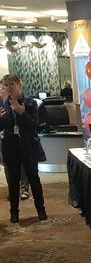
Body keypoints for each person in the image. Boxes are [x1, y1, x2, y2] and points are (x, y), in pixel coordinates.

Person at [0, 75, 47, 223]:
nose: (9, 87)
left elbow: (34, 127)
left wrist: (22, 112)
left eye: (12, 84)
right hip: (10, 148)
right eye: (5, 85)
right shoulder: (1, 104)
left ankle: (41, 210)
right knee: (13, 182)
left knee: (34, 180)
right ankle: (14, 212)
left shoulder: (31, 103)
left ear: (20, 85)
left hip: (28, 147)